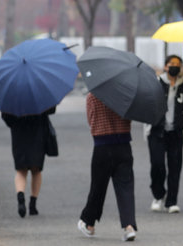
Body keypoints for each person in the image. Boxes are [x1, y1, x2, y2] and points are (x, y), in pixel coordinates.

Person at [77, 93, 137, 241]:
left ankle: (89, 224)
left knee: (98, 187)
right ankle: (129, 226)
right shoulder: (124, 95)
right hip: (124, 145)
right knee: (126, 187)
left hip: (102, 146)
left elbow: (90, 121)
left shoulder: (92, 96)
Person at [145, 55, 183, 213]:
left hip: (175, 133)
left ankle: (172, 201)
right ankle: (158, 195)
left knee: (175, 166)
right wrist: (148, 128)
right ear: (165, 66)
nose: (174, 66)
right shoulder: (156, 84)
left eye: (178, 64)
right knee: (157, 165)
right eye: (171, 64)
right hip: (157, 132)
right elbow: (149, 106)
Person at [2, 107, 56, 218]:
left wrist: (15, 123)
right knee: (36, 170)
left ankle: (20, 196)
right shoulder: (40, 92)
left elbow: (5, 116)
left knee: (21, 171)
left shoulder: (13, 95)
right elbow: (51, 110)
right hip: (38, 133)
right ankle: (33, 204)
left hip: (18, 133)